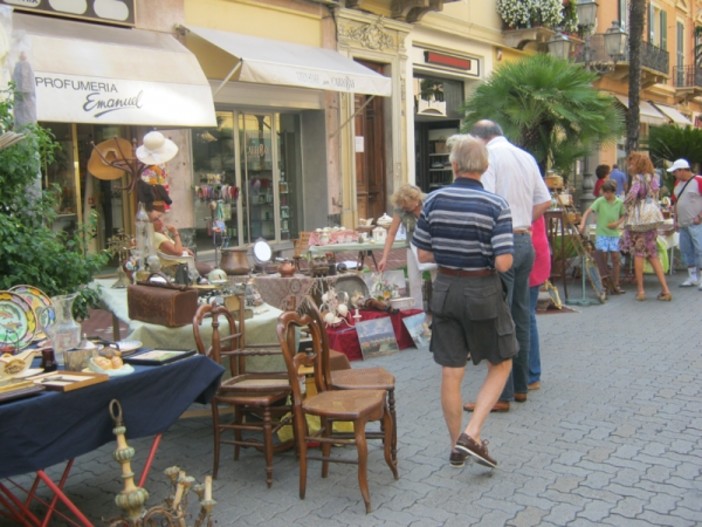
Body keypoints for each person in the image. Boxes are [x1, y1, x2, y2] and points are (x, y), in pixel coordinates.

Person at [413, 133, 516, 469]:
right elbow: (503, 263)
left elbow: (424, 252)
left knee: (451, 372)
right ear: (484, 168)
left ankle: (455, 447)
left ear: (454, 166)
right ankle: (472, 433)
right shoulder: (496, 205)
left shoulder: (432, 201)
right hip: (481, 291)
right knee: (501, 363)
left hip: (445, 289)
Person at [464, 120, 551, 412]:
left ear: (480, 140)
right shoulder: (524, 156)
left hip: (505, 243)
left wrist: (501, 230)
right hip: (525, 241)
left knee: (499, 318)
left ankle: (501, 395)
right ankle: (521, 386)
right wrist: (521, 219)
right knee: (521, 316)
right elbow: (545, 200)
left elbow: (484, 203)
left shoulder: (489, 158)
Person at [619, 152, 672, 302]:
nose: (629, 166)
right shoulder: (653, 178)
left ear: (637, 164)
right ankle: (665, 289)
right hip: (651, 221)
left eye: (632, 163)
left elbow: (632, 196)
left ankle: (641, 290)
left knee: (638, 254)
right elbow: (655, 194)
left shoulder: (638, 179)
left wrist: (626, 205)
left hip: (639, 221)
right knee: (653, 255)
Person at [377, 184, 435, 310]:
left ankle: (439, 314)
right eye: (402, 206)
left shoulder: (429, 201)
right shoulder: (400, 208)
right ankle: (418, 315)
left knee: (437, 280)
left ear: (416, 200)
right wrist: (384, 257)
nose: (404, 208)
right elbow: (392, 233)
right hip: (413, 246)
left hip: (432, 246)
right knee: (414, 282)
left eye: (407, 206)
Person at [578, 180, 627, 295]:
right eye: (605, 193)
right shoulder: (600, 201)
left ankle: (616, 284)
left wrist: (617, 223)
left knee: (616, 258)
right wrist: (582, 223)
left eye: (609, 193)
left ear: (613, 192)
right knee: (602, 258)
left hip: (613, 234)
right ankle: (604, 284)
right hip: (602, 233)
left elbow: (624, 215)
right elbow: (588, 211)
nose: (606, 195)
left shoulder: (619, 203)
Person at [668, 158, 702, 288]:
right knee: (686, 250)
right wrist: (675, 220)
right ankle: (692, 276)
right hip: (683, 223)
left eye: (675, 171)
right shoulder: (678, 184)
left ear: (682, 170)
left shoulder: (698, 181)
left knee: (700, 249)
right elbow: (676, 202)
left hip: (696, 223)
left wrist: (700, 216)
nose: (674, 174)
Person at [148, 210, 213, 278]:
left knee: (208, 268)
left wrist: (184, 249)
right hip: (178, 267)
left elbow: (172, 249)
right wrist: (175, 233)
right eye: (155, 219)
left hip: (181, 263)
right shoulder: (157, 236)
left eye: (159, 216)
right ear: (150, 224)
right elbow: (177, 252)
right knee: (209, 269)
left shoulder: (161, 233)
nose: (160, 220)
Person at [527, 215, 550, 391]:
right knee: (527, 316)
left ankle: (531, 374)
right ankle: (531, 373)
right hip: (534, 250)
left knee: (526, 317)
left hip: (528, 250)